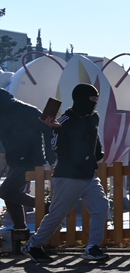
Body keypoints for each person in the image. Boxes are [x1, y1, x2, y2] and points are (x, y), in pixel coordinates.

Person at [22, 84, 109, 263]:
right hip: (68, 176)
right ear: (80, 99)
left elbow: (95, 138)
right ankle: (33, 245)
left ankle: (92, 247)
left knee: (101, 207)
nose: (93, 104)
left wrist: (97, 154)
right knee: (57, 214)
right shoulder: (64, 121)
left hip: (89, 175)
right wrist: (55, 129)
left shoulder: (94, 117)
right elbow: (55, 148)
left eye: (96, 100)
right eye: (91, 100)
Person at [0, 88, 54, 231]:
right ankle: (20, 228)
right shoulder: (16, 110)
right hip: (17, 160)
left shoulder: (23, 111)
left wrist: (50, 156)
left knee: (5, 192)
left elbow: (48, 129)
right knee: (11, 194)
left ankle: (46, 207)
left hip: (29, 160)